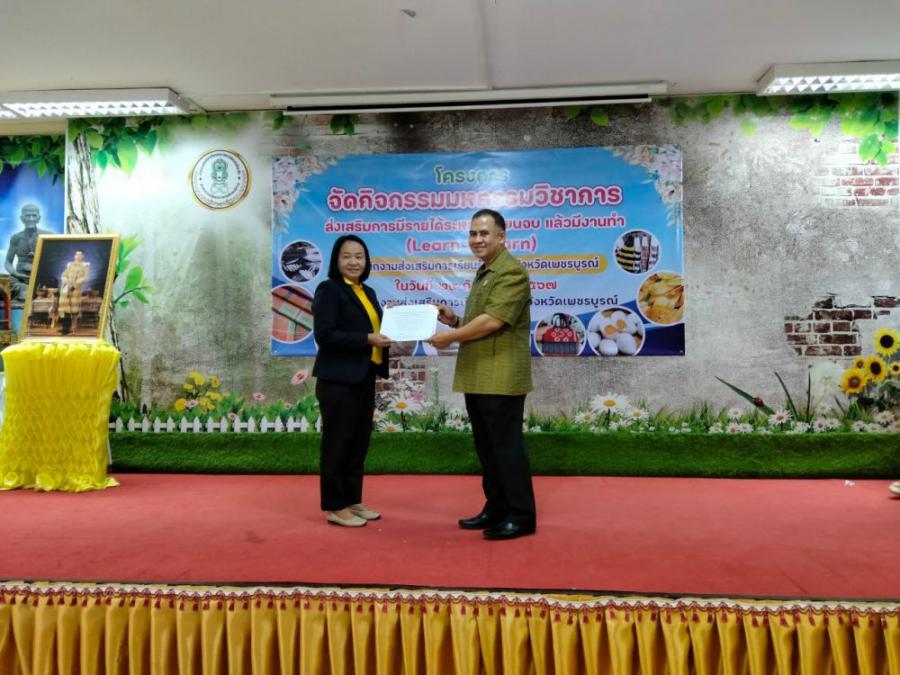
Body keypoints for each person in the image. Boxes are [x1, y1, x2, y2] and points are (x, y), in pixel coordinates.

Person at [427, 208, 537, 540]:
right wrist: (454, 321)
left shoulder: (511, 271)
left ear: (501, 237)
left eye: (484, 233)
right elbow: (481, 320)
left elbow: (493, 322)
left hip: (500, 375)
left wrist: (450, 337)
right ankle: (497, 507)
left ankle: (520, 515)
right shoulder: (485, 271)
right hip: (478, 373)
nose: (477, 239)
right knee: (487, 447)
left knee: (506, 447)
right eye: (473, 233)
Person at [312, 235, 392, 527]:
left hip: (363, 376)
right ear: (336, 260)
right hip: (338, 380)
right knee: (338, 443)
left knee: (358, 443)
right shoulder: (329, 290)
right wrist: (367, 339)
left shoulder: (367, 292)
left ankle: (352, 500)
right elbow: (325, 335)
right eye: (347, 256)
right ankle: (335, 506)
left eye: (359, 256)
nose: (354, 262)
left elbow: (376, 328)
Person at [5, 204, 51, 304]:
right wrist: (16, 274)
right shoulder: (16, 238)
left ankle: (28, 292)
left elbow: (54, 259)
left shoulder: (48, 235)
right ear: (22, 218)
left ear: (39, 218)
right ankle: (25, 291)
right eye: (28, 215)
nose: (31, 219)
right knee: (6, 283)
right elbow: (8, 262)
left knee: (52, 284)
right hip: (20, 278)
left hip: (41, 278)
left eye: (34, 215)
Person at [57, 249, 90, 335]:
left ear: (83, 256)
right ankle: (64, 327)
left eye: (80, 255)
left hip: (75, 289)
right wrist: (66, 281)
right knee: (64, 308)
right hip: (66, 288)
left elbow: (84, 278)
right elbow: (64, 274)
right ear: (74, 256)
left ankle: (69, 328)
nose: (78, 256)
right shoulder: (70, 265)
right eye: (76, 254)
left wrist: (74, 285)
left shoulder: (85, 266)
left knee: (71, 309)